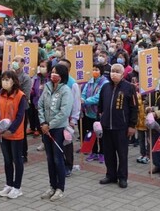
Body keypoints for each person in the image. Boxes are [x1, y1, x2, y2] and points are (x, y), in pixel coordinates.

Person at [97, 63, 138, 189]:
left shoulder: (129, 88)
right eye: (112, 71)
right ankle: (111, 175)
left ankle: (122, 177)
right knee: (108, 153)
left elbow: (134, 108)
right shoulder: (105, 87)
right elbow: (101, 105)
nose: (113, 73)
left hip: (122, 127)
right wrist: (100, 119)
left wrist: (132, 125)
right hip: (106, 126)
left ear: (122, 73)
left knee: (122, 154)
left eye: (117, 71)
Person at [38, 64, 73, 201]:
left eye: (56, 73)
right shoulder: (47, 87)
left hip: (57, 129)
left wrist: (50, 125)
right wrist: (43, 123)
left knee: (58, 159)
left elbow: (64, 112)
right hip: (46, 128)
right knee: (49, 158)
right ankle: (52, 186)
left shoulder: (65, 90)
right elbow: (40, 105)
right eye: (52, 72)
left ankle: (60, 188)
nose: (53, 75)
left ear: (62, 75)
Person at [0, 70, 27, 199]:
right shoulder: (0, 93)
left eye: (8, 79)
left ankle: (17, 187)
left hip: (15, 133)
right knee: (7, 160)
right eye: (3, 79)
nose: (5, 81)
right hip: (2, 132)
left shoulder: (20, 95)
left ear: (14, 81)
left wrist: (11, 130)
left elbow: (20, 116)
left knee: (17, 160)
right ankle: (8, 184)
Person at [81, 63, 108, 163]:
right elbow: (83, 92)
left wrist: (86, 101)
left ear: (101, 71)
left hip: (99, 112)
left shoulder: (105, 83)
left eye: (96, 69)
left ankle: (102, 153)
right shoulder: (90, 81)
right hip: (89, 113)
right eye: (93, 69)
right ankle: (94, 152)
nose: (94, 71)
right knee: (91, 133)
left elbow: (98, 97)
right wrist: (82, 99)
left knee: (100, 134)